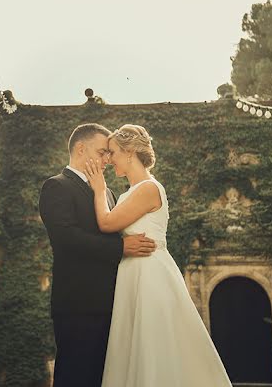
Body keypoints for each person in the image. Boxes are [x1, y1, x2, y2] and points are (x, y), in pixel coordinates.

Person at [85, 124, 232, 386]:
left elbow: (107, 223)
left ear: (129, 152)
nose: (109, 159)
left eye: (113, 152)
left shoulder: (148, 188)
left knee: (153, 345)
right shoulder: (130, 192)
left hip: (149, 273)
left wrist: (98, 188)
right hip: (133, 271)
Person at [38, 123, 157, 387]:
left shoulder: (110, 193)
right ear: (81, 149)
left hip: (114, 304)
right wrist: (121, 247)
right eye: (103, 152)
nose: (107, 159)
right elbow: (66, 239)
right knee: (77, 377)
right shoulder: (56, 187)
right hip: (80, 306)